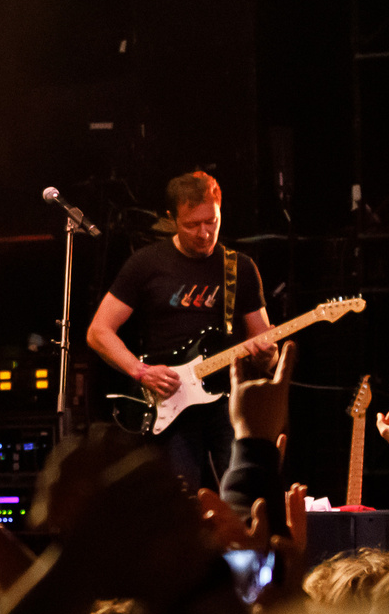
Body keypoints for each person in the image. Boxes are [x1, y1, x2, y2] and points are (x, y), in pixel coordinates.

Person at [82, 170, 272, 487]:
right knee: (183, 498)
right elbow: (99, 331)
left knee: (244, 494)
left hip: (228, 403)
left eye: (211, 221)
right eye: (192, 225)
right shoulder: (146, 264)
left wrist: (267, 355)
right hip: (171, 402)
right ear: (171, 219)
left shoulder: (240, 267)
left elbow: (263, 343)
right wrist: (141, 372)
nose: (204, 233)